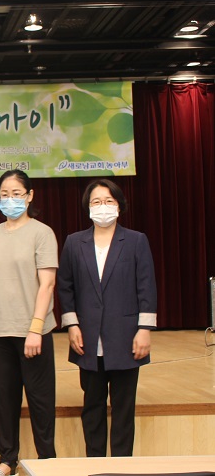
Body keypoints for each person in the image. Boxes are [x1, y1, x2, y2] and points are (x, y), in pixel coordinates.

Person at [58, 179, 156, 457]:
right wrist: (72, 324)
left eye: (108, 201)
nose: (103, 207)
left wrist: (144, 329)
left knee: (124, 409)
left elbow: (146, 286)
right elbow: (65, 286)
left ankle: (122, 467)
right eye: (96, 202)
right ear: (88, 207)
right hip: (87, 340)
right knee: (92, 407)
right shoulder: (74, 242)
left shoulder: (136, 240)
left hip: (126, 338)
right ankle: (95, 464)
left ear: (119, 206)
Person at [0, 170, 58, 476]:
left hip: (33, 332)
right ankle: (7, 460)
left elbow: (47, 284)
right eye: (4, 194)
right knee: (6, 399)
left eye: (16, 193)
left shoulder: (42, 233)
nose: (9, 199)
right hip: (1, 331)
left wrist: (35, 328)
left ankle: (47, 460)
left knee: (40, 401)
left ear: (30, 196)